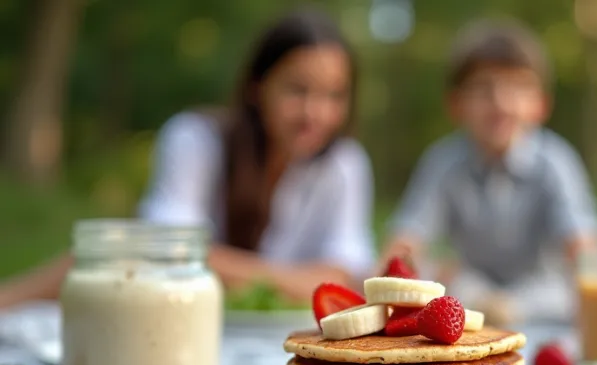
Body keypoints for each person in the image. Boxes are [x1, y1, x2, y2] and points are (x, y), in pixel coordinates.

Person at [0, 8, 375, 309]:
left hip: (276, 335)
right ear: (256, 87)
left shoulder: (345, 164)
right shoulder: (195, 138)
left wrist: (222, 265)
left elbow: (344, 274)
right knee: (109, 253)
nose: (315, 113)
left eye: (334, 95)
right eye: (297, 90)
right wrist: (294, 279)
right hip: (171, 312)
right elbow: (165, 250)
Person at [383, 19, 597, 326]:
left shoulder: (556, 162)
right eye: (483, 88)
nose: (500, 101)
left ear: (540, 104)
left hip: (543, 305)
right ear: (456, 104)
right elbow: (404, 245)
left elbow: (585, 253)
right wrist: (405, 269)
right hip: (471, 305)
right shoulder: (442, 162)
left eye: (517, 87)